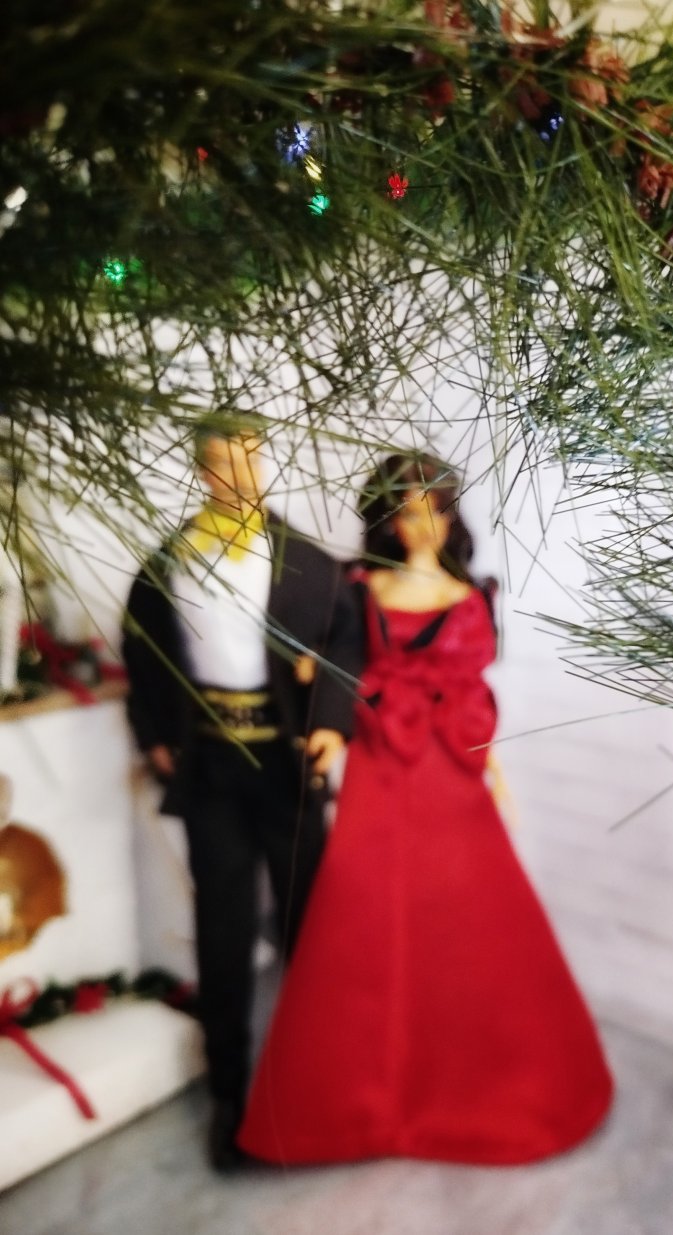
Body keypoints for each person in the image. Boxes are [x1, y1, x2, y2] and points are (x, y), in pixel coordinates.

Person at [238, 452, 614, 1166]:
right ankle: (356, 1109)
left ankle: (476, 1089)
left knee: (469, 923)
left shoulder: (468, 595)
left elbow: (469, 689)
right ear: (387, 520)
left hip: (449, 768)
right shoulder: (358, 588)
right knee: (363, 916)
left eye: (434, 510)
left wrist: (490, 763)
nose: (422, 525)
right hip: (381, 763)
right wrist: (321, 691)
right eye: (407, 513)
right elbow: (336, 660)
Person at [121, 416, 363, 1171]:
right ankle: (231, 1095)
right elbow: (141, 652)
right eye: (224, 464)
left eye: (252, 461)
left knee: (309, 922)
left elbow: (346, 641)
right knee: (223, 931)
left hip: (287, 764)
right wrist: (155, 734)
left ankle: (324, 1077)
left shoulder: (308, 562)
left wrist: (331, 722)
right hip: (212, 769)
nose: (240, 478)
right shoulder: (170, 561)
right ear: (202, 471)